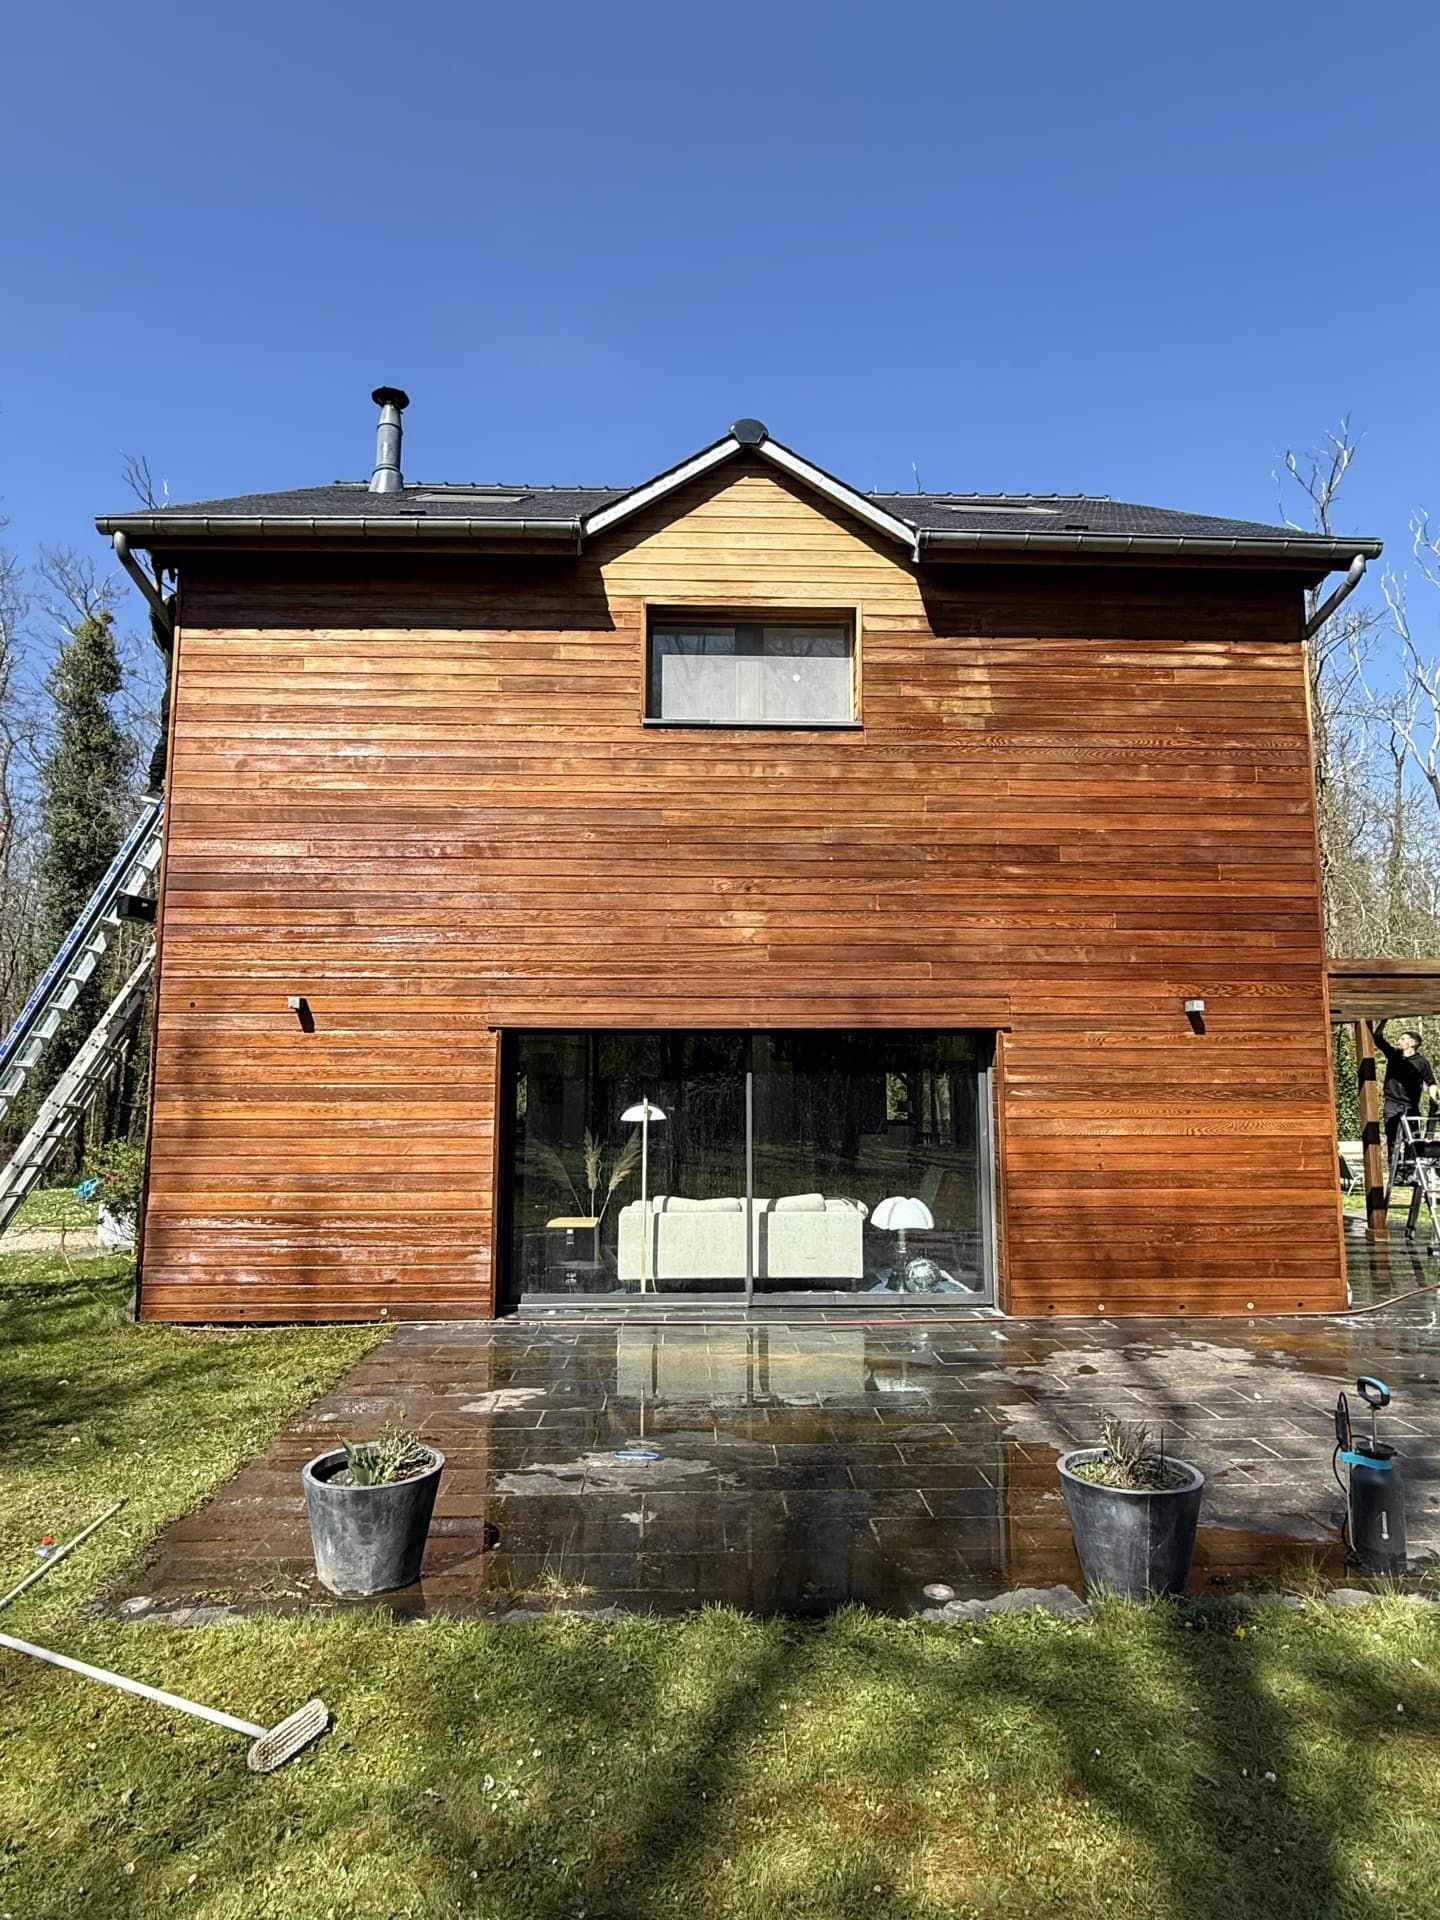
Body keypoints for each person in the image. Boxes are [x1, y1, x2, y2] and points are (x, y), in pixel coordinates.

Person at [1374, 1020, 1438, 1176]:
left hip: (1411, 1105)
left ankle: (1409, 1172)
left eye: (1403, 1039)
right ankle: (1394, 1171)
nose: (1399, 1041)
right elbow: (1378, 1038)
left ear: (1412, 1043)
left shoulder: (1421, 1062)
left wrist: (1434, 1099)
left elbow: (1431, 1082)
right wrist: (1384, 1020)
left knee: (1412, 1139)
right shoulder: (1395, 1055)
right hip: (1392, 1103)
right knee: (1392, 1137)